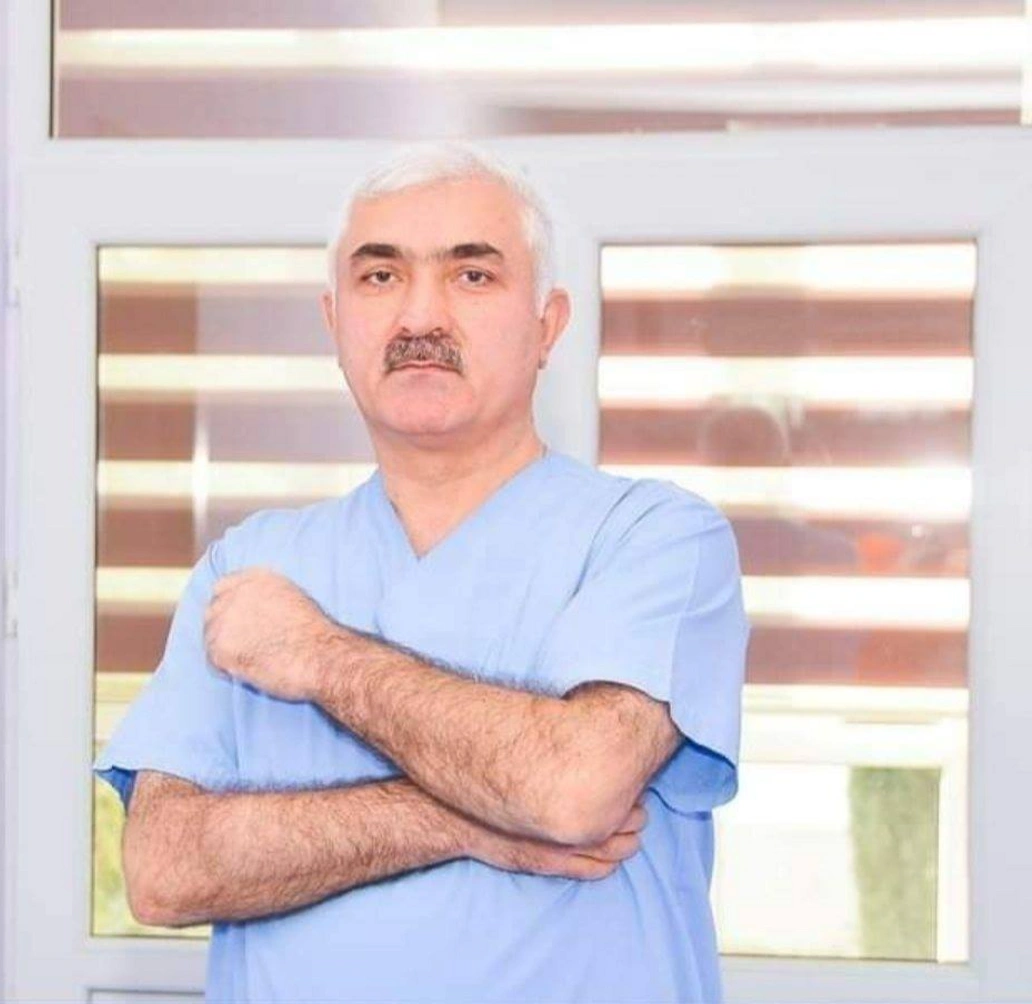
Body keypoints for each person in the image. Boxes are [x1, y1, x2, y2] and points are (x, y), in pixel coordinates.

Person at [95, 141, 750, 1003]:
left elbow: (573, 790)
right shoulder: (250, 567)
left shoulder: (651, 539)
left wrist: (318, 655)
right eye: (381, 277)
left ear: (547, 325)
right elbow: (165, 869)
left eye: (472, 275)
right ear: (334, 322)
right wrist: (464, 819)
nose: (419, 315)